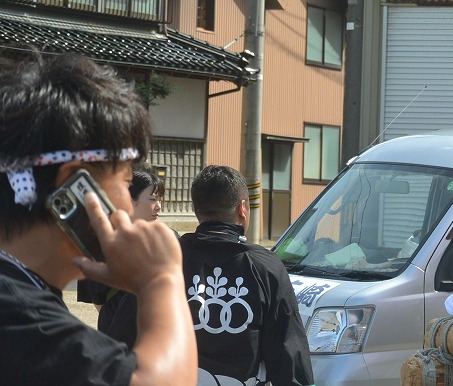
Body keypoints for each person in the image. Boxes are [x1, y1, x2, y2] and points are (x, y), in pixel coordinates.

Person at [0, 52, 196, 385]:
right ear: (74, 189)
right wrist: (161, 280)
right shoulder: (25, 320)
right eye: (127, 182)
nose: (130, 205)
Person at [180, 164, 313, 386]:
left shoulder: (170, 258)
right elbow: (288, 350)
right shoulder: (265, 266)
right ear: (242, 208)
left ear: (195, 208)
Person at [77, 164, 167, 347]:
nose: (158, 207)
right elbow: (98, 300)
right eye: (152, 199)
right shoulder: (102, 242)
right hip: (115, 338)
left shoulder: (167, 239)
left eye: (160, 200)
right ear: (129, 200)